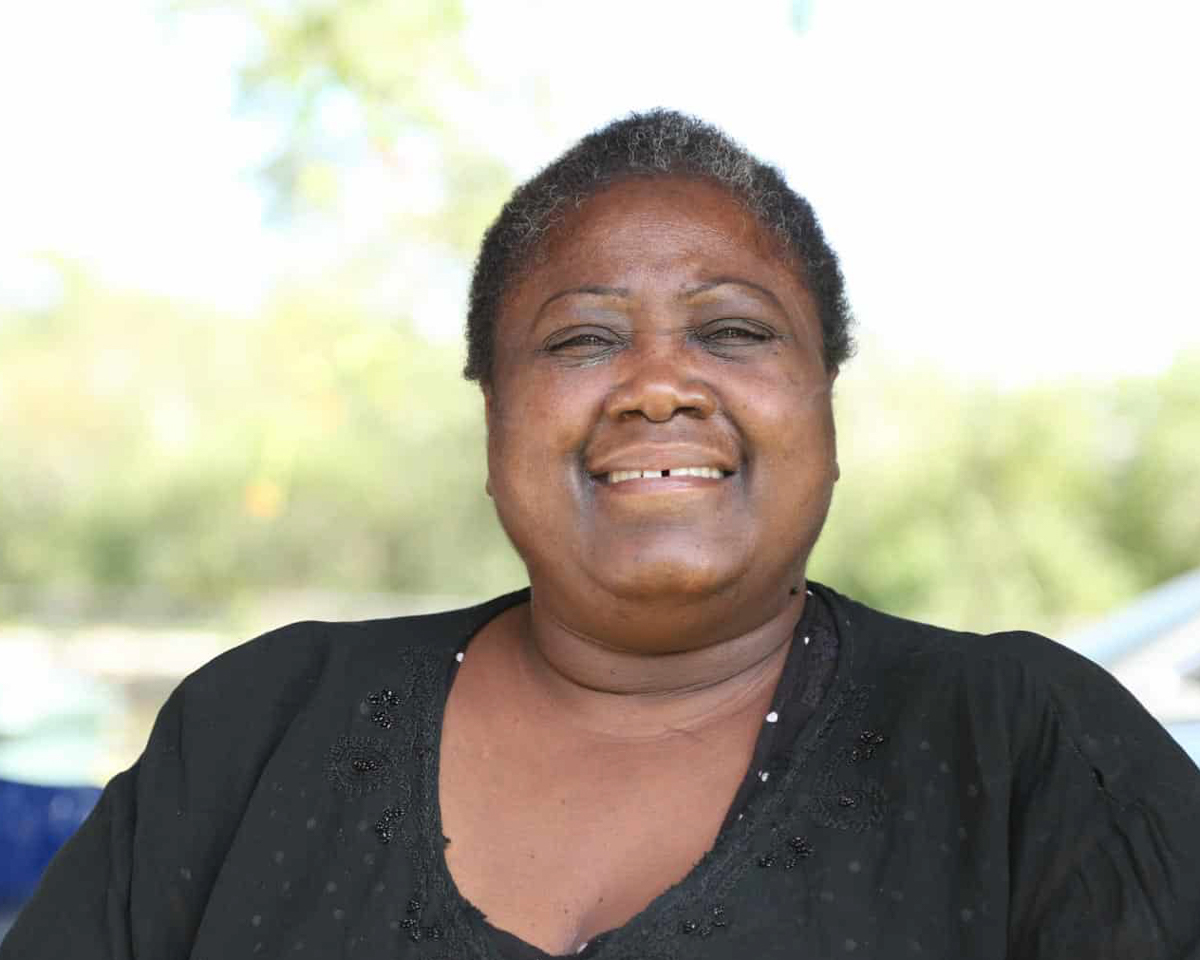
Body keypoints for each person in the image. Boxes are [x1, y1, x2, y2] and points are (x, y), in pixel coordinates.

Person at [4, 110, 1199, 960]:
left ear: (827, 409)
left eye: (734, 332)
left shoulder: (1027, 746)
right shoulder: (255, 727)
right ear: (492, 418)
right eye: (581, 340)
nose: (659, 384)